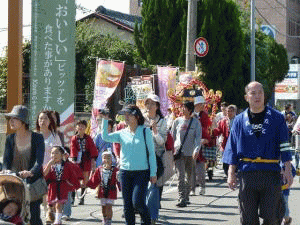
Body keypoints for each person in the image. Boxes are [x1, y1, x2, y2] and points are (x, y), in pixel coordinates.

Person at [223, 81, 294, 224]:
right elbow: (232, 147)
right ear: (246, 97)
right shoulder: (238, 120)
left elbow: (285, 145)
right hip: (247, 173)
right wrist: (231, 172)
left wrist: (287, 168)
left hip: (271, 173)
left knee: (273, 216)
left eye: (260, 92)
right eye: (253, 93)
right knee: (248, 217)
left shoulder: (277, 118)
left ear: (264, 95)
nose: (257, 96)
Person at [100, 104, 157, 225]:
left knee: (138, 202)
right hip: (125, 172)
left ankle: (147, 221)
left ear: (136, 116)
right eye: (124, 115)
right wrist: (105, 120)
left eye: (128, 115)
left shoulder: (145, 131)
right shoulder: (121, 133)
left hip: (142, 172)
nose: (125, 117)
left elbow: (152, 154)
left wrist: (153, 173)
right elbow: (105, 137)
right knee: (127, 205)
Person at [3, 105, 45, 225]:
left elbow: (39, 161)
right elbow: (6, 160)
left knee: (33, 216)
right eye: (10, 118)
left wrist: (31, 172)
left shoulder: (37, 137)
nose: (11, 121)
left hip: (32, 183)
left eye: (14, 118)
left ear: (23, 121)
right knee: (12, 216)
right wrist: (6, 170)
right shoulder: (10, 138)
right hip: (14, 182)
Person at [144, 94, 170, 224]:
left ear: (157, 106)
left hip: (156, 156)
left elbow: (162, 142)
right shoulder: (140, 119)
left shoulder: (163, 121)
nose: (149, 106)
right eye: (147, 103)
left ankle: (153, 215)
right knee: (143, 185)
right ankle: (144, 210)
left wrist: (154, 131)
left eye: (152, 103)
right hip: (142, 155)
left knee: (153, 185)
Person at [171, 101, 201, 207]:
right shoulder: (177, 121)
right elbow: (172, 137)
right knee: (180, 176)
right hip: (179, 153)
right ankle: (181, 198)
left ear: (189, 110)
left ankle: (186, 196)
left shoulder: (196, 123)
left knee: (189, 176)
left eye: (184, 108)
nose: (181, 110)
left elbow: (198, 138)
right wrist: (172, 151)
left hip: (191, 153)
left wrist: (196, 149)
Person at [36, 110, 62, 223]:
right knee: (40, 195)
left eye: (45, 119)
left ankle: (48, 213)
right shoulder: (33, 135)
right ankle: (47, 212)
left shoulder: (54, 136)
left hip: (51, 170)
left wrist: (53, 162)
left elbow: (60, 153)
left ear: (50, 121)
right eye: (40, 118)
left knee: (49, 193)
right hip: (37, 170)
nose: (42, 121)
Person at [44, 146, 80, 225]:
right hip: (52, 187)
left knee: (58, 205)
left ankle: (58, 221)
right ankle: (53, 217)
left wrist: (74, 185)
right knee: (52, 206)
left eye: (57, 153)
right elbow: (44, 175)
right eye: (52, 153)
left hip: (62, 187)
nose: (54, 155)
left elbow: (72, 176)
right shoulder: (50, 165)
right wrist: (49, 164)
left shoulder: (67, 165)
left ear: (62, 155)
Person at [87, 151, 120, 225]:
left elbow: (119, 181)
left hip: (111, 191)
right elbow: (95, 179)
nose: (106, 159)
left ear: (112, 159)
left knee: (109, 207)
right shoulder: (99, 169)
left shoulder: (115, 170)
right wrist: (88, 184)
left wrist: (122, 187)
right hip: (102, 191)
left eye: (108, 157)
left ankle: (109, 220)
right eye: (104, 158)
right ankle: (104, 217)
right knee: (103, 208)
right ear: (102, 159)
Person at [70, 120, 98, 205]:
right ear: (76, 127)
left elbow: (92, 148)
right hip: (77, 160)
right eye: (79, 126)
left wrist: (93, 159)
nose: (81, 127)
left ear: (86, 128)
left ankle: (82, 198)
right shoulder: (74, 138)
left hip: (86, 159)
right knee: (75, 179)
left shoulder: (88, 138)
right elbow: (73, 148)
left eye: (83, 126)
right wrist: (74, 159)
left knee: (85, 179)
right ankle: (72, 198)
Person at [213, 104, 237, 177]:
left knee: (235, 159)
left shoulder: (238, 120)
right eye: (228, 111)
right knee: (226, 160)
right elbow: (218, 131)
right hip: (226, 143)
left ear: (235, 112)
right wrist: (211, 129)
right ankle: (228, 173)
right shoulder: (223, 121)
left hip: (236, 143)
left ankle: (234, 173)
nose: (229, 113)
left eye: (231, 111)